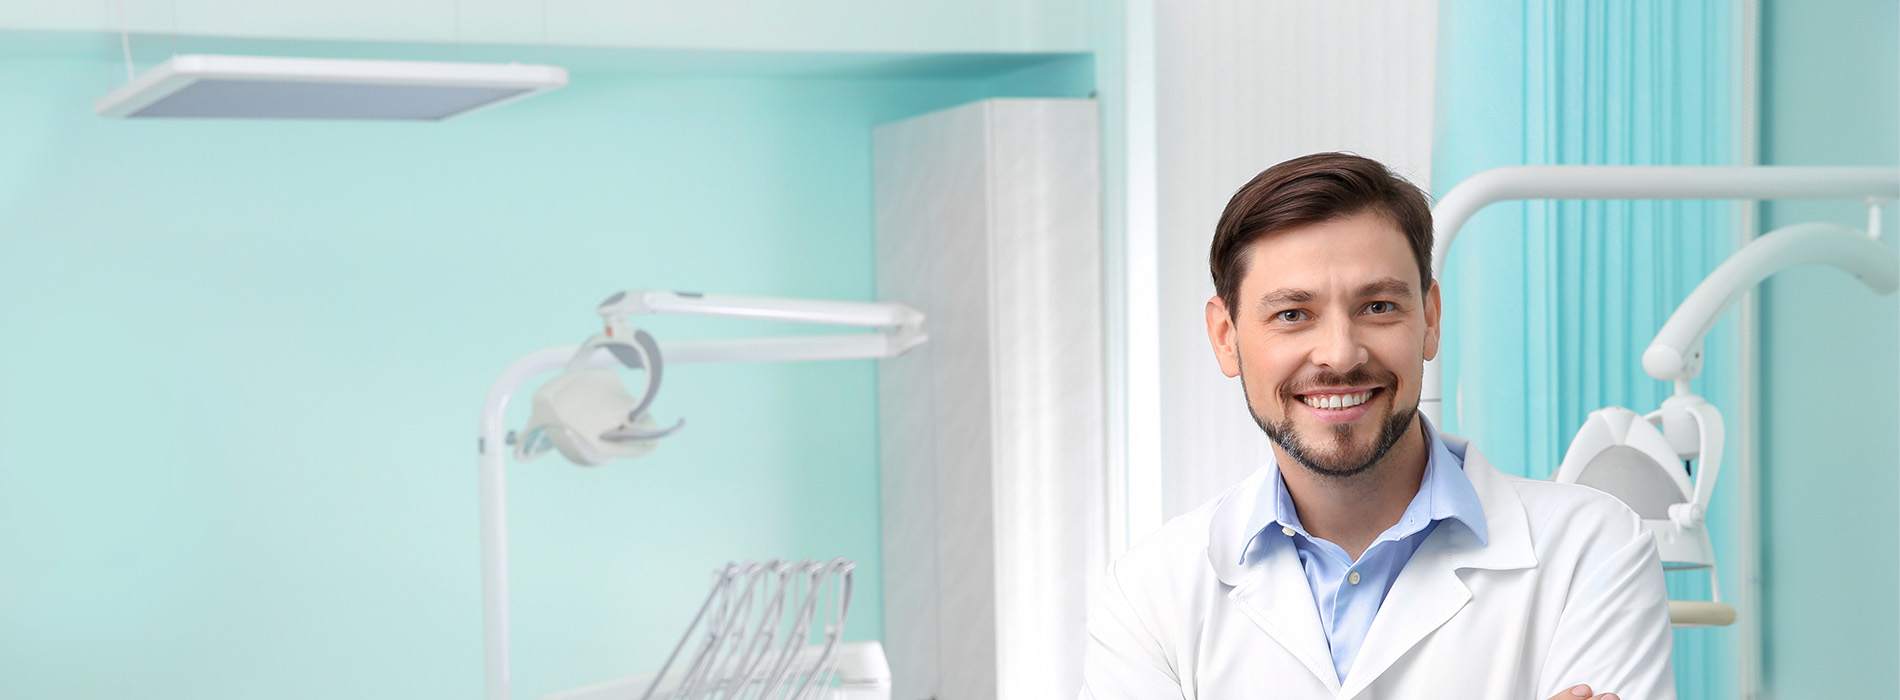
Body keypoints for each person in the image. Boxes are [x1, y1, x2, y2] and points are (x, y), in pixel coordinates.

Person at [1081, 153, 1674, 700]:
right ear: (1226, 337)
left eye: (1379, 307)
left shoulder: (1592, 549)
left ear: (1431, 320)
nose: (1339, 355)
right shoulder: (1151, 594)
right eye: (1292, 315)